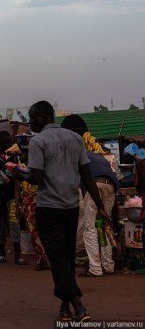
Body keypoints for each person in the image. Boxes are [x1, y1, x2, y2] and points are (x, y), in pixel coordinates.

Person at [13, 101, 109, 322]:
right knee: (66, 257)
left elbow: (35, 178)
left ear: (45, 117)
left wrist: (20, 174)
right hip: (71, 207)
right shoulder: (75, 138)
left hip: (49, 208)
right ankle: (64, 308)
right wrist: (100, 206)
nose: (30, 122)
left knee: (58, 259)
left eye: (32, 117)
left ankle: (79, 305)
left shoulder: (38, 141)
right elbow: (87, 175)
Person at [61, 114, 119, 277]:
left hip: (95, 185)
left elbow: (81, 180)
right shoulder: (99, 156)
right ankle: (108, 265)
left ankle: (95, 268)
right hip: (111, 185)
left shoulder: (80, 155)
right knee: (104, 225)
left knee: (90, 228)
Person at [0, 133, 27, 265]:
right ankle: (2, 253)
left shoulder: (14, 156)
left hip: (12, 196)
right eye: (5, 142)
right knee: (0, 225)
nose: (7, 145)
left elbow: (20, 174)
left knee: (14, 224)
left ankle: (18, 256)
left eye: (9, 142)